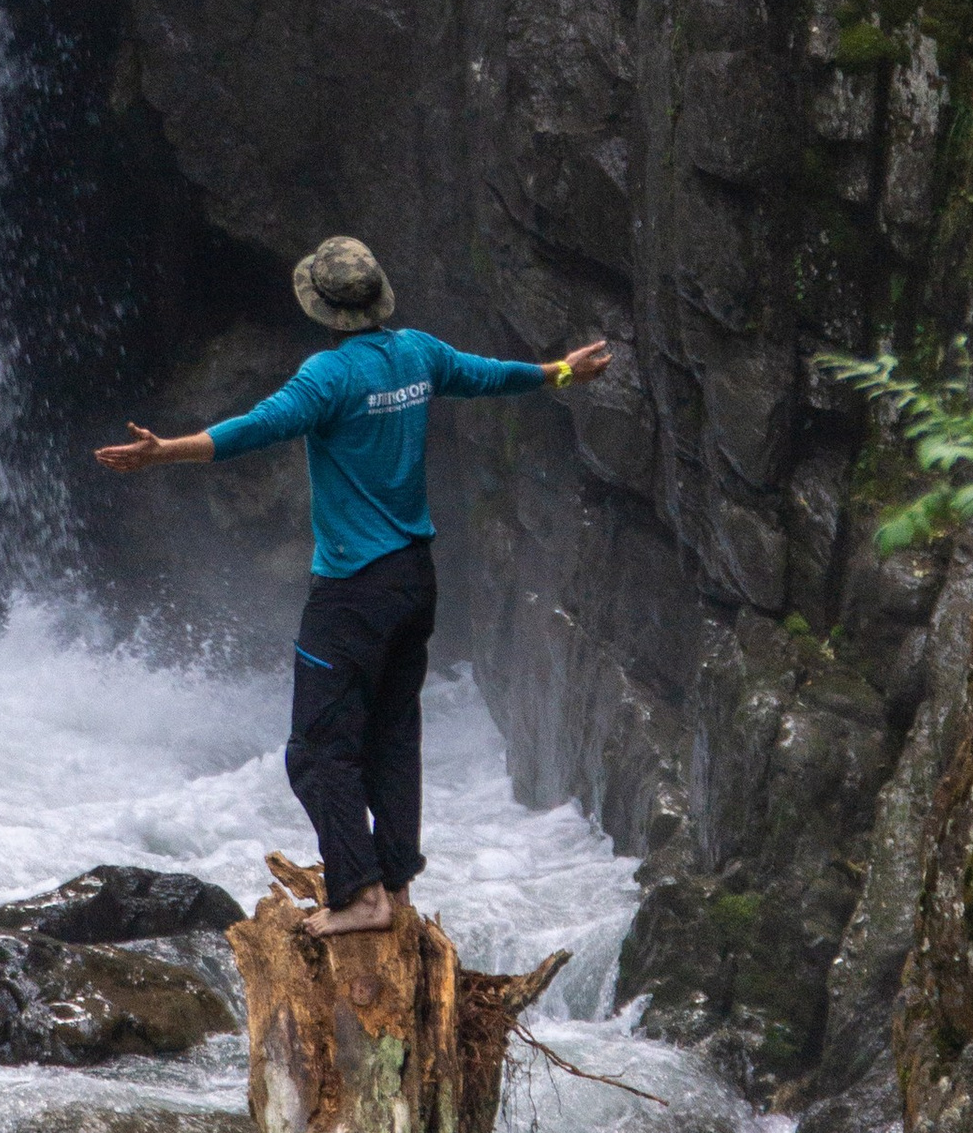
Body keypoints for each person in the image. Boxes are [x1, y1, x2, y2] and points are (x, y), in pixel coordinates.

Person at [94, 234, 612, 937]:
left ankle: (358, 895)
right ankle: (394, 885)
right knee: (393, 734)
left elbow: (255, 429)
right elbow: (490, 376)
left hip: (352, 590)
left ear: (325, 309)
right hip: (412, 579)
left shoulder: (328, 376)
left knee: (314, 751)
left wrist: (164, 453)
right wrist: (562, 373)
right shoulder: (418, 354)